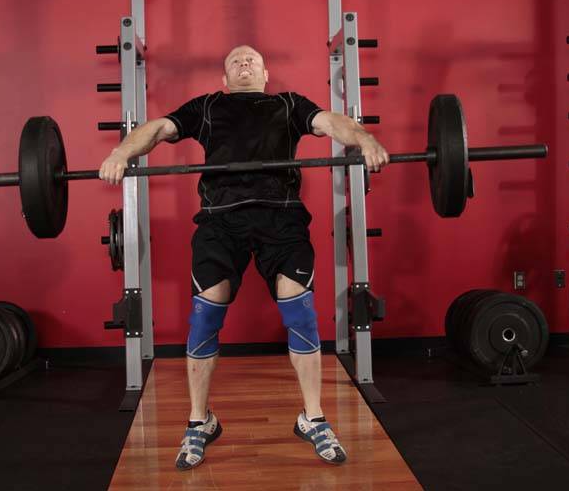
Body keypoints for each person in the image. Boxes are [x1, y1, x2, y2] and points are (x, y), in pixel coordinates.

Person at [99, 45, 389, 470]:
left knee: (300, 311)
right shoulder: (208, 107)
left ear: (267, 73)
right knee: (205, 316)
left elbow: (330, 123)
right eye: (235, 61)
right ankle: (201, 421)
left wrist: (364, 137)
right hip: (221, 222)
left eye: (251, 59)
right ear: (224, 78)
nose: (244, 63)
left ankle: (313, 417)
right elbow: (159, 129)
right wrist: (121, 153)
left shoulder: (288, 104)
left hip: (282, 219)